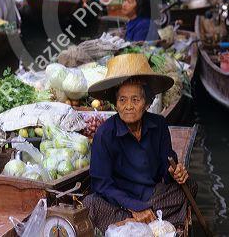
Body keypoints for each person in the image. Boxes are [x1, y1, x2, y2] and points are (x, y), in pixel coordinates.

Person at [83, 52, 197, 234]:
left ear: (147, 103)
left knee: (189, 186)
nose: (129, 106)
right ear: (115, 104)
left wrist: (175, 172)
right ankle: (147, 220)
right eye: (122, 100)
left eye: (135, 99)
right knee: (90, 205)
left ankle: (131, 224)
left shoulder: (158, 125)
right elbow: (101, 184)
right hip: (119, 201)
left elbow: (165, 169)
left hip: (152, 195)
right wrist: (134, 207)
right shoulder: (104, 134)